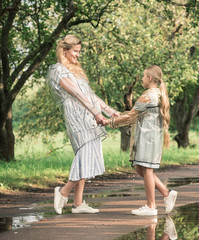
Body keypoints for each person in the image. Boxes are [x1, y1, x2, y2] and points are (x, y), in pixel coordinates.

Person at [46, 35, 119, 214]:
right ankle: (63, 192)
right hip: (77, 117)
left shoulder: (76, 71)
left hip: (89, 116)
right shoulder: (57, 70)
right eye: (75, 51)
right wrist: (96, 114)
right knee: (84, 154)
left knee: (86, 156)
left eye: (79, 51)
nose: (78, 55)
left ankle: (78, 203)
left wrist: (110, 112)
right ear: (65, 51)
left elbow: (90, 95)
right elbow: (78, 95)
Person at [106, 65, 177, 216]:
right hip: (151, 137)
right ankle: (166, 193)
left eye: (144, 77)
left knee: (147, 170)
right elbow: (133, 114)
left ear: (150, 78)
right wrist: (119, 115)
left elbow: (130, 116)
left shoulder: (148, 96)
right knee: (141, 169)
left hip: (147, 138)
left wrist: (109, 122)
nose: (142, 79)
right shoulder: (157, 94)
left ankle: (151, 206)